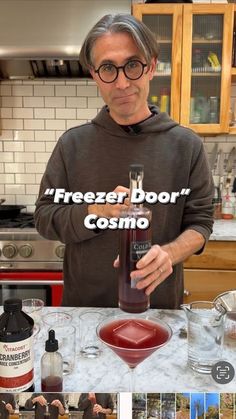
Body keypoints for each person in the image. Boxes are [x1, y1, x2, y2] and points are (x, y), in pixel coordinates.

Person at [34, 14, 214, 309]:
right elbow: (44, 218)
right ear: (94, 74)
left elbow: (201, 223)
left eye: (132, 65)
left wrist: (168, 253)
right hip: (85, 314)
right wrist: (97, 212)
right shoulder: (72, 145)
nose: (121, 83)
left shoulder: (186, 145)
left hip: (158, 313)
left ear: (151, 67)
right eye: (107, 68)